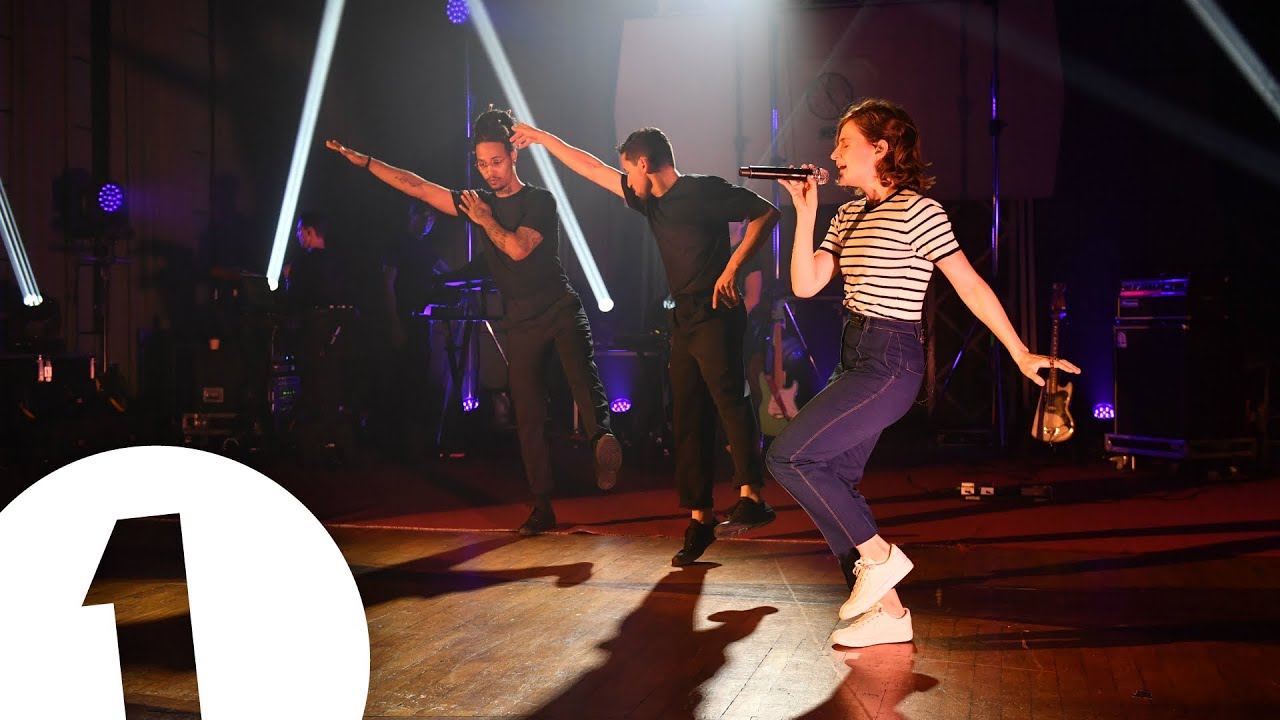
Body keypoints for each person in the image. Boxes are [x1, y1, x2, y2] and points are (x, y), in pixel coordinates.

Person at [767, 98, 1081, 647]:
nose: (833, 153)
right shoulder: (847, 214)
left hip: (891, 361)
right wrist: (805, 212)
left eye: (845, 144)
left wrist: (1019, 350)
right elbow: (805, 284)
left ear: (880, 149)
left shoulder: (920, 211)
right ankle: (889, 614)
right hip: (855, 356)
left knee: (790, 456)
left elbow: (968, 284)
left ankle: (882, 559)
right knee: (833, 478)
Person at [326, 108, 622, 536]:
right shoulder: (475, 201)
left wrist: (484, 219)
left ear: (513, 157)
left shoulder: (540, 200)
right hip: (520, 319)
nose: (490, 173)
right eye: (482, 165)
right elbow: (420, 188)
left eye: (496, 162)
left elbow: (519, 249)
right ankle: (542, 504)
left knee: (582, 378)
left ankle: (602, 441)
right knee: (527, 414)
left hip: (559, 307)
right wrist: (369, 163)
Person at [509, 122, 781, 566]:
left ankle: (751, 495)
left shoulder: (700, 191)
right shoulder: (650, 204)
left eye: (628, 171)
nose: (626, 181)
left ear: (643, 163)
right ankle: (700, 519)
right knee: (687, 415)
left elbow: (767, 212)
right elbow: (592, 169)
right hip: (683, 319)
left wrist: (732, 269)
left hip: (716, 310)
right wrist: (543, 139)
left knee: (728, 398)